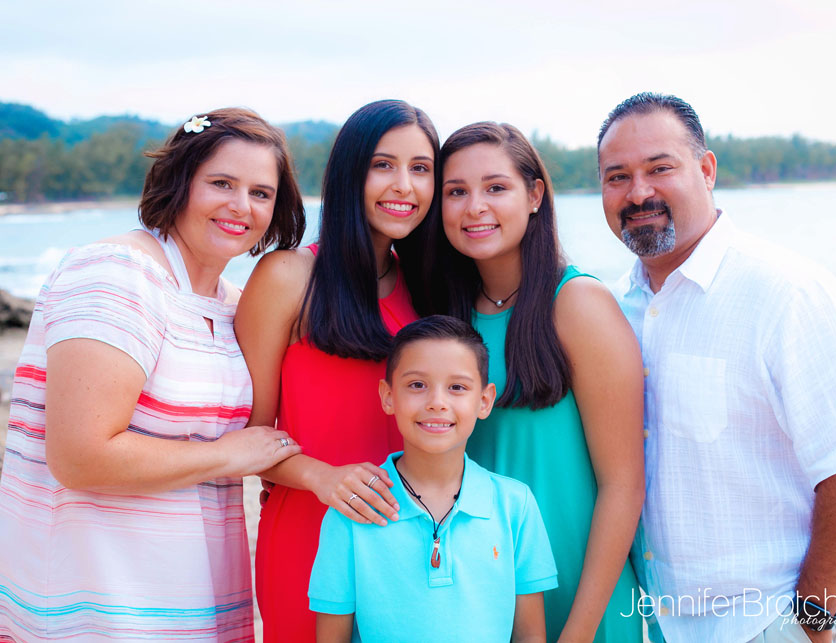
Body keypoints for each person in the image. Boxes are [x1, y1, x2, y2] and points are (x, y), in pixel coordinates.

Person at [596, 92, 836, 643]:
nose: (639, 192)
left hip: (771, 625)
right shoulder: (615, 312)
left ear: (706, 170)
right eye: (618, 177)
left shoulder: (785, 293)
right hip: (663, 627)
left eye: (660, 168)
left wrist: (809, 624)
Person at [0, 107, 305, 641]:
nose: (241, 206)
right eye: (222, 183)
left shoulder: (233, 304)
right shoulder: (117, 273)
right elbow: (80, 455)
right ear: (179, 181)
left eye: (261, 192)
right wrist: (230, 454)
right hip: (99, 603)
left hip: (193, 596)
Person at [421, 122, 645, 641]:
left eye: (496, 188)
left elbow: (624, 484)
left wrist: (581, 630)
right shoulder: (446, 318)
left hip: (581, 598)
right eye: (456, 192)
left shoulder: (577, 304)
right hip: (482, 597)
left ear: (535, 194)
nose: (475, 207)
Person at [234, 99, 440, 641]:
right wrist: (322, 478)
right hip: (312, 533)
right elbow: (248, 436)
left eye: (421, 169)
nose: (404, 185)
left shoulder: (428, 290)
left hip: (416, 543)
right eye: (382, 165)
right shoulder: (288, 275)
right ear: (349, 173)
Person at [309, 315, 558, 642]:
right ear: (388, 396)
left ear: (484, 401)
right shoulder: (353, 509)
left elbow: (529, 636)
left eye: (457, 387)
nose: (437, 402)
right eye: (417, 385)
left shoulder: (516, 506)